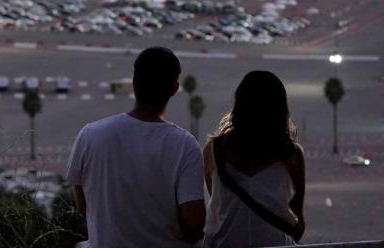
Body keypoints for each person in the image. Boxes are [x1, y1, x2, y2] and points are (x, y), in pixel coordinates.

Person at [67, 46, 206, 247]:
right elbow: (194, 221)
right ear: (175, 89)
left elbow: (83, 205)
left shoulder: (90, 135)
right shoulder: (185, 145)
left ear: (134, 84)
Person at [203, 71, 306, 247]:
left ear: (239, 105)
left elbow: (219, 204)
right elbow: (298, 222)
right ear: (280, 110)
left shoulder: (215, 150)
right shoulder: (292, 155)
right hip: (276, 244)